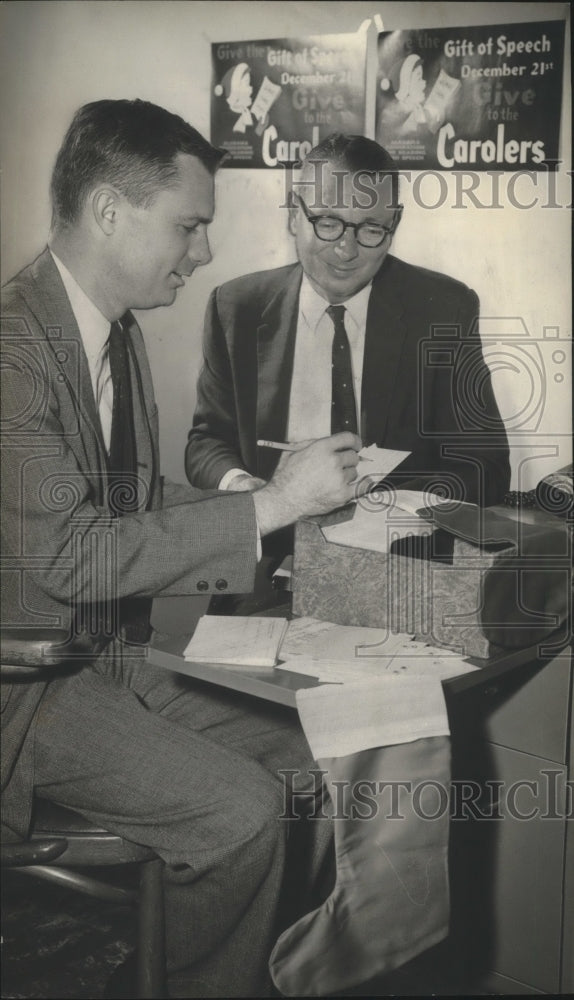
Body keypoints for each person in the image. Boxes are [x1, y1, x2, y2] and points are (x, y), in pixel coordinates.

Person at [0, 100, 363, 998]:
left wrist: (265, 508)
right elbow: (74, 557)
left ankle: (207, 971)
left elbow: (127, 499)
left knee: (317, 755)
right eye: (188, 226)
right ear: (109, 211)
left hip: (102, 659)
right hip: (26, 691)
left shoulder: (113, 332)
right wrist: (275, 503)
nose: (202, 252)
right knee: (243, 815)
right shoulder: (11, 353)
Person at [186, 133, 510, 519]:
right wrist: (249, 490)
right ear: (294, 213)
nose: (347, 250)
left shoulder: (444, 309)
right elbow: (207, 443)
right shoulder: (236, 306)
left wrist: (382, 499)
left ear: (395, 223)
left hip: (392, 540)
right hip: (273, 539)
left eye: (371, 229)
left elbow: (485, 469)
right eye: (328, 223)